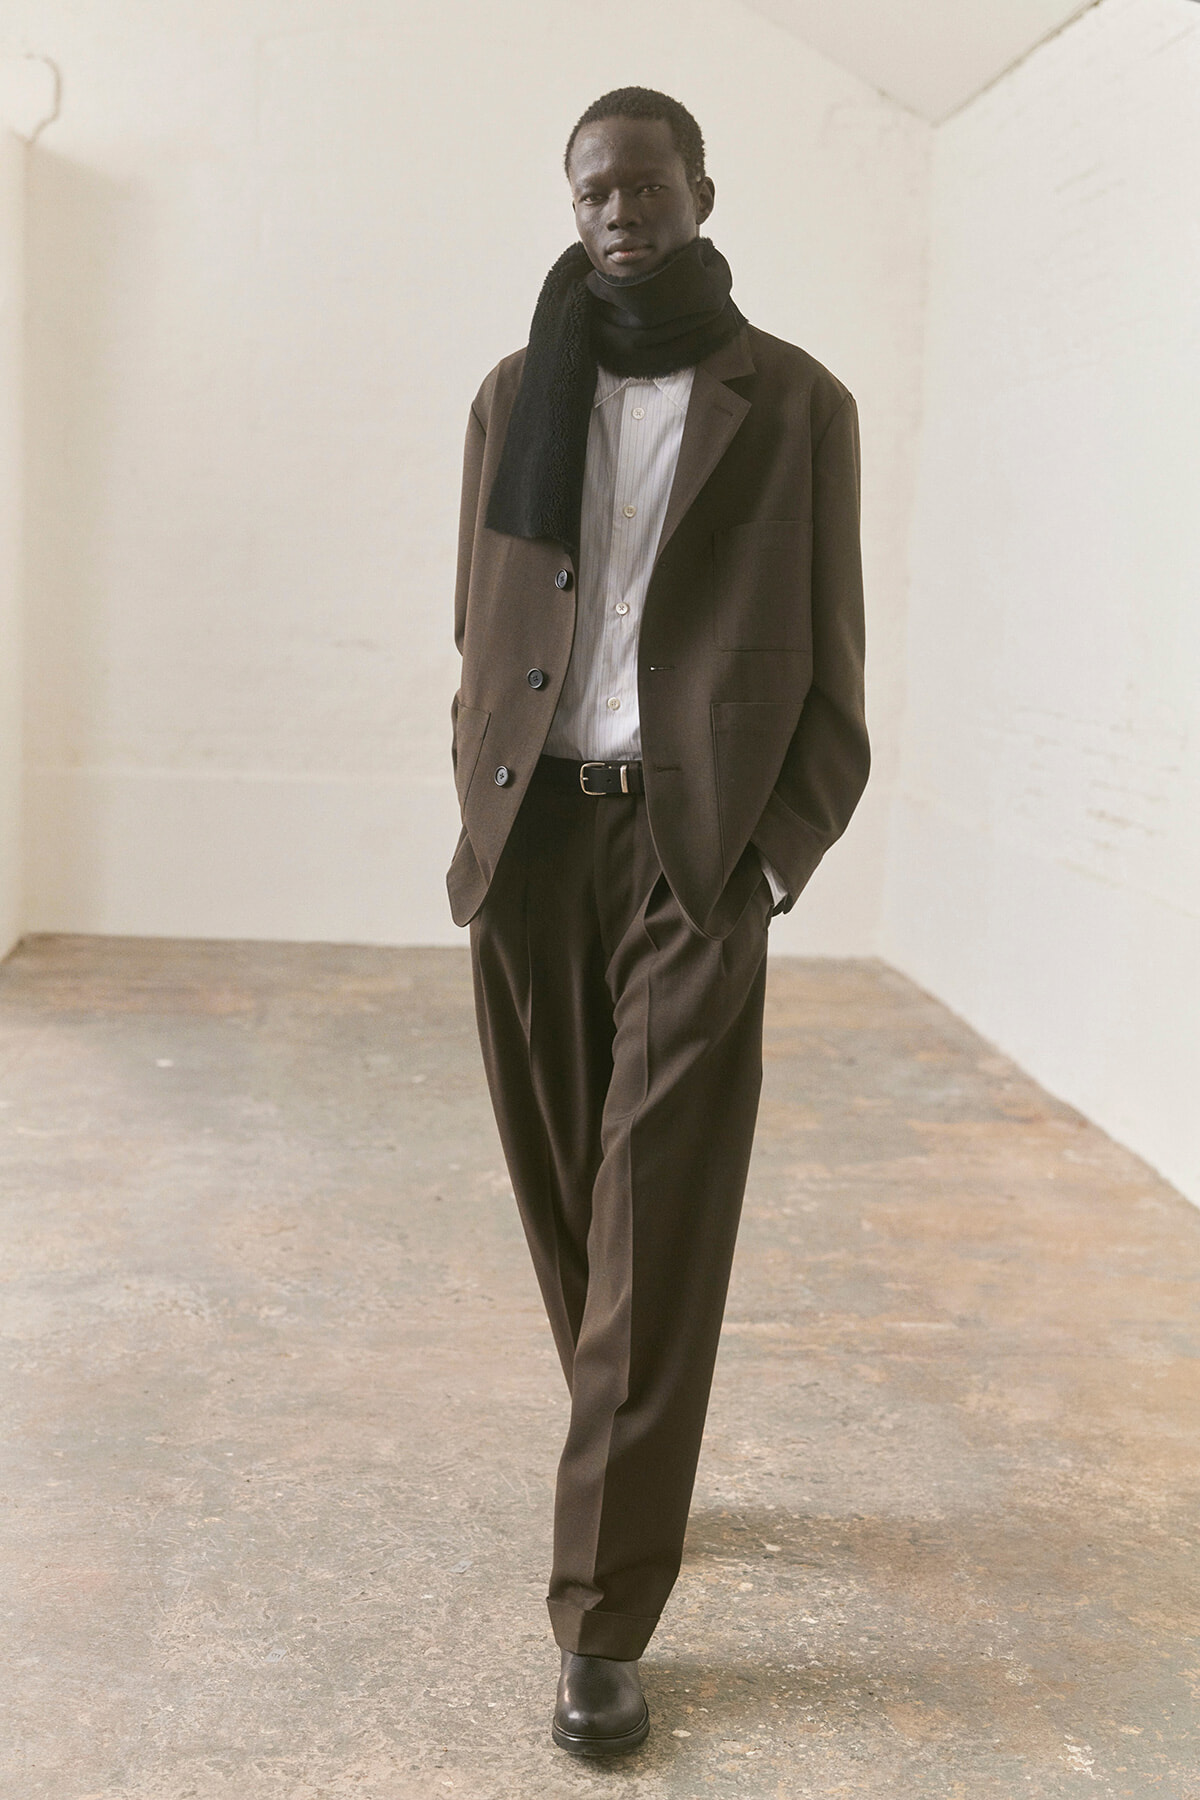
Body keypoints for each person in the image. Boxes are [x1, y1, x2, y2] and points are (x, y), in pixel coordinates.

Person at [448, 86, 868, 1755]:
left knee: (661, 1212)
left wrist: (777, 857)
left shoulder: (796, 403)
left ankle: (601, 1615)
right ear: (571, 211)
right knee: (575, 1199)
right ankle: (636, 1440)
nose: (619, 209)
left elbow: (834, 666)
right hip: (533, 847)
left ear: (701, 188)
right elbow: (477, 626)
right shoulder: (507, 399)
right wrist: (473, 806)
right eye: (591, 191)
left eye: (645, 181)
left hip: (699, 859)